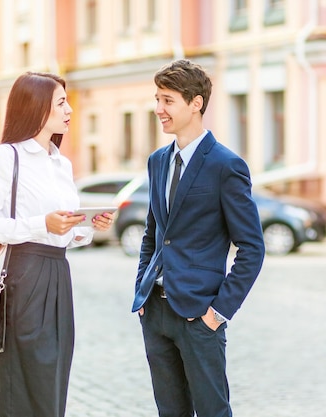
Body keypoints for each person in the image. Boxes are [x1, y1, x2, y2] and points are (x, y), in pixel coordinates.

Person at [0, 71, 114, 417]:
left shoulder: (60, 163)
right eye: (62, 102)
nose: (70, 110)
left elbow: (64, 232)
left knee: (53, 378)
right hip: (25, 276)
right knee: (24, 382)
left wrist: (88, 227)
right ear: (37, 107)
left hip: (58, 274)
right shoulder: (6, 157)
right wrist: (41, 224)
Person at [131, 59, 265, 417]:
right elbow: (153, 233)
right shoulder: (158, 161)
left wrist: (218, 312)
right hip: (155, 311)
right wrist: (141, 291)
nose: (159, 109)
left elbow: (252, 248)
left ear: (196, 104)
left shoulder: (226, 165)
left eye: (167, 100)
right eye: (157, 99)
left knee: (212, 412)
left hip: (199, 316)